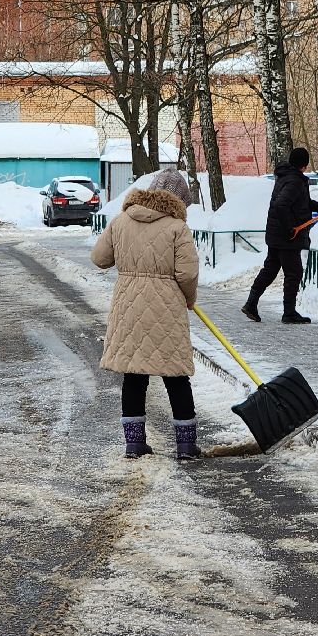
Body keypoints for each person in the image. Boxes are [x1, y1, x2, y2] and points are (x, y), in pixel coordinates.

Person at [90, 168, 203, 460]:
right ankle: (186, 446)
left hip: (128, 307)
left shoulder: (121, 220)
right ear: (178, 199)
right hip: (167, 308)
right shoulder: (177, 227)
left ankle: (134, 444)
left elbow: (99, 259)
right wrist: (188, 300)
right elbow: (187, 273)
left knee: (134, 375)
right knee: (175, 375)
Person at [242, 147, 318, 325]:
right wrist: (289, 229)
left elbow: (302, 203)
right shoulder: (294, 181)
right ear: (304, 164)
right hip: (287, 237)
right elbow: (281, 205)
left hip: (277, 234)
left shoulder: (286, 177)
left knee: (270, 270)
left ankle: (251, 303)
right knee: (294, 273)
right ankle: (289, 312)